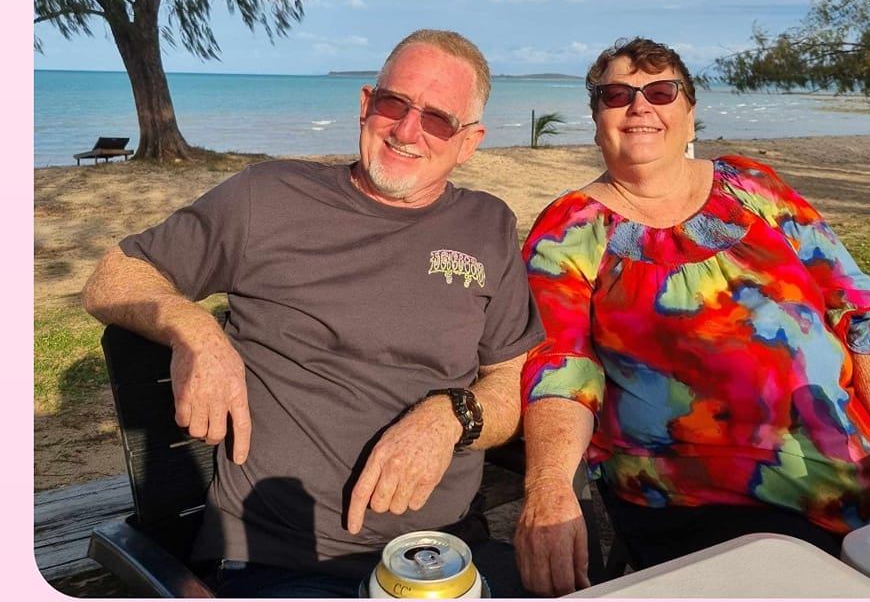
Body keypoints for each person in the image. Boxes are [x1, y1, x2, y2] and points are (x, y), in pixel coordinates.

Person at [82, 29, 544, 598]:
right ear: (365, 105)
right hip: (288, 560)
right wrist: (196, 329)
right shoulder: (268, 197)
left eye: (437, 119)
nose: (406, 130)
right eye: (393, 104)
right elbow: (112, 275)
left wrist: (449, 418)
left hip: (444, 555)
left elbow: (508, 380)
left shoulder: (487, 225)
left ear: (469, 142)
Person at [513, 37, 870, 596]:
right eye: (617, 94)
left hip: (860, 476)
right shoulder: (570, 230)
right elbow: (560, 366)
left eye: (660, 91)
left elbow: (863, 315)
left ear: (689, 114)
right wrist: (549, 486)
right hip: (707, 501)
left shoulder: (753, 186)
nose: (640, 106)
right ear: (596, 119)